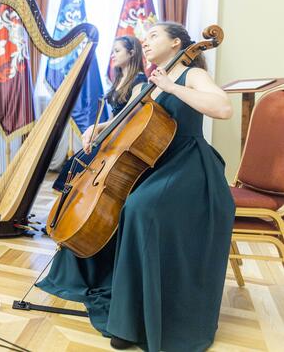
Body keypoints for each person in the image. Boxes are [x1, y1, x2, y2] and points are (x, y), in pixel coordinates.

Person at [37, 22, 235, 351]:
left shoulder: (189, 74)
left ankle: (140, 318)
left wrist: (172, 87)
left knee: (141, 208)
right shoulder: (154, 81)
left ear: (176, 42)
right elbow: (129, 120)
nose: (146, 41)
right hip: (156, 163)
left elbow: (223, 108)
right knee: (118, 205)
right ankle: (126, 310)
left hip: (189, 165)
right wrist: (97, 128)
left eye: (154, 35)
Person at [52, 36, 147, 193]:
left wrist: (96, 128)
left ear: (131, 53)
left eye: (117, 51)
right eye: (112, 52)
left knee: (79, 163)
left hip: (123, 135)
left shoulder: (140, 81)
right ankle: (65, 205)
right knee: (74, 162)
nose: (113, 55)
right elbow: (113, 116)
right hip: (111, 132)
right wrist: (98, 132)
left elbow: (126, 116)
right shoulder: (119, 78)